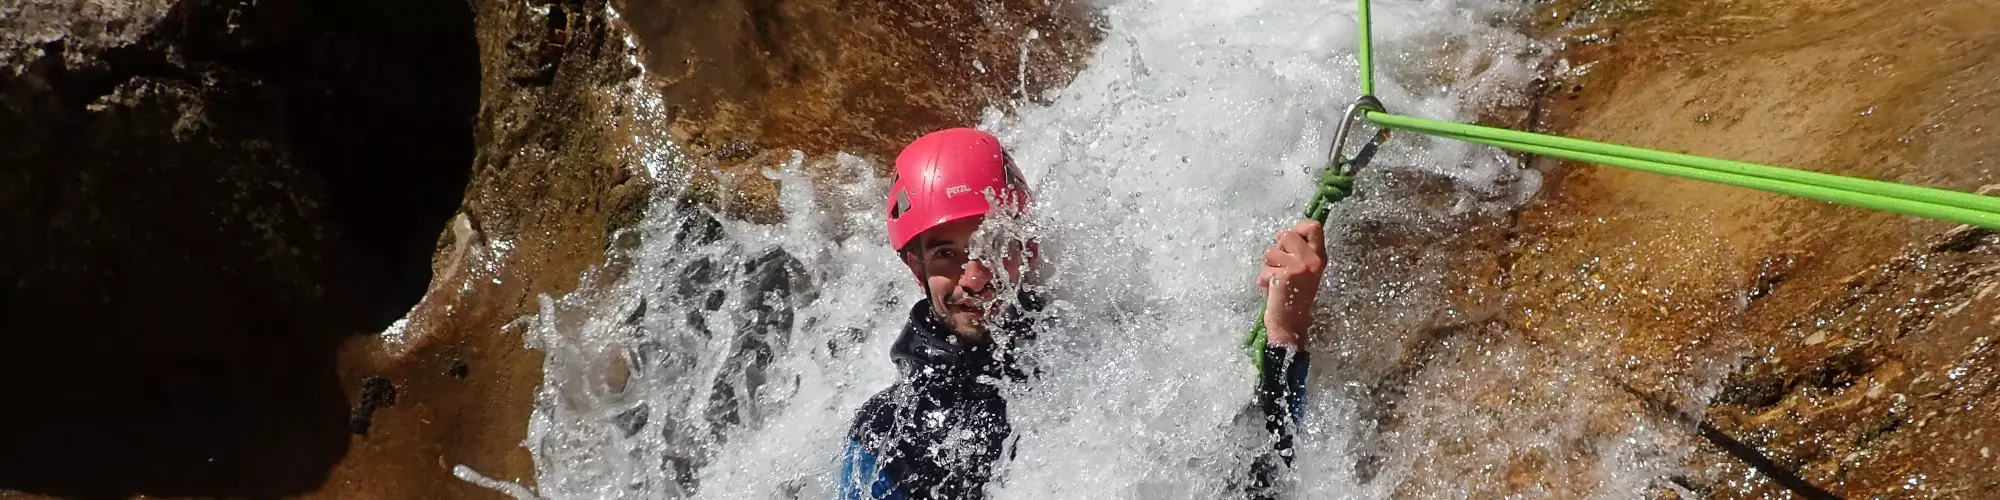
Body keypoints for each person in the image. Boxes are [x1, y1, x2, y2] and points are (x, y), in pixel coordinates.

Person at [837, 128, 1325, 499]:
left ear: (1026, 248)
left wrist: (1283, 331)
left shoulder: (1100, 347)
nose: (976, 276)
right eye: (947, 254)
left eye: (996, 244)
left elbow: (1255, 478)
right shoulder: (890, 437)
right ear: (913, 264)